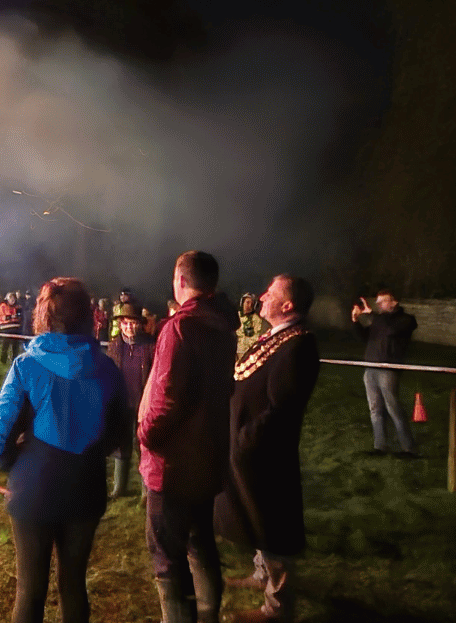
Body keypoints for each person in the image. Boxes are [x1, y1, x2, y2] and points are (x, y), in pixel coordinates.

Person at [0, 277, 128, 623]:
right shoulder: (109, 369)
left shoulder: (27, 365)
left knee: (30, 592)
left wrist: (9, 462)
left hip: (34, 487)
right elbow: (121, 430)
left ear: (44, 315)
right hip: (86, 486)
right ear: (88, 316)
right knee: (74, 586)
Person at [138, 251, 237, 623]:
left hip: (173, 463)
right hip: (208, 456)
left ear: (180, 280)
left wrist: (146, 434)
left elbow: (166, 398)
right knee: (200, 541)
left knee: (165, 552)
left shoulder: (180, 327)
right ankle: (208, 616)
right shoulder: (222, 328)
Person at [217, 274, 321, 622]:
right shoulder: (278, 337)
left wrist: (245, 439)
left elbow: (282, 408)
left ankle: (277, 607)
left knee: (272, 524)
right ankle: (261, 573)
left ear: (287, 305)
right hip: (247, 450)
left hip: (265, 454)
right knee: (254, 516)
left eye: (271, 293)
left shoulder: (298, 346)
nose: (261, 297)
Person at [351, 290, 419, 458]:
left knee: (393, 408)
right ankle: (380, 446)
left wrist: (371, 314)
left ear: (394, 302)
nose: (379, 304)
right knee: (375, 409)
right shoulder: (379, 320)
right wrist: (355, 321)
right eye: (378, 301)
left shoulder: (406, 320)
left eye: (383, 301)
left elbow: (389, 330)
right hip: (370, 368)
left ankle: (409, 449)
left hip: (388, 370)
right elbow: (364, 337)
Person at [105, 302, 155, 498]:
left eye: (132, 323)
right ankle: (120, 487)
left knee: (144, 445)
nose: (129, 327)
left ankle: (146, 491)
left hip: (144, 404)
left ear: (139, 324)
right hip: (121, 404)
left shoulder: (150, 345)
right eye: (125, 323)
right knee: (121, 444)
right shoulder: (115, 345)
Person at [0, 292, 23, 365]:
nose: (12, 300)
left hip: (16, 328)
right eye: (11, 299)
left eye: (13, 299)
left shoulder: (17, 306)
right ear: (7, 299)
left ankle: (14, 359)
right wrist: (11, 317)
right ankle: (3, 360)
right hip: (6, 328)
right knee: (5, 345)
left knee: (15, 346)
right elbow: (1, 317)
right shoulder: (2, 306)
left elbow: (20, 316)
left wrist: (18, 315)